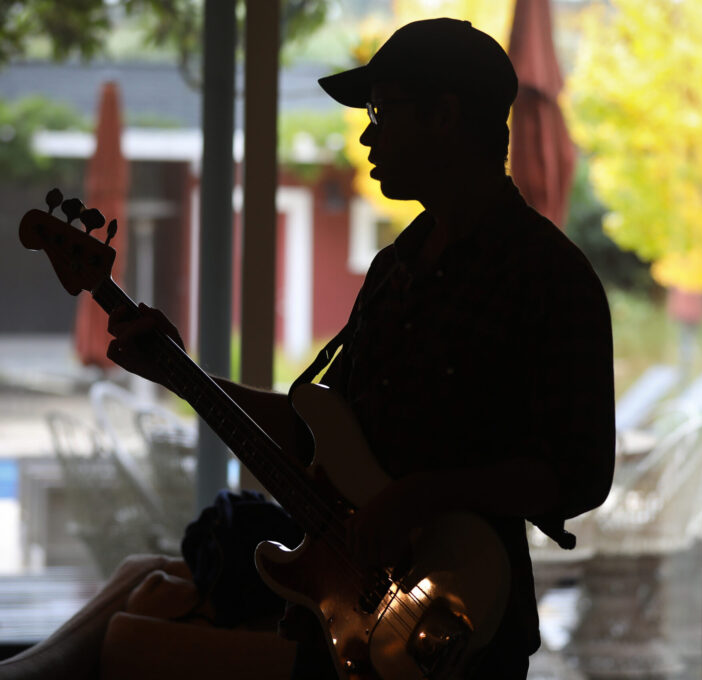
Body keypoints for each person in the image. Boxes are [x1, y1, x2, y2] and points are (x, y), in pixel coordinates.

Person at [107, 17, 615, 679]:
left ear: (444, 116)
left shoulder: (550, 277)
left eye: (381, 111)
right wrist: (180, 374)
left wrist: (422, 496)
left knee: (122, 648)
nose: (368, 134)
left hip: (458, 637)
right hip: (340, 621)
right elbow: (317, 433)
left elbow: (580, 475)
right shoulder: (394, 269)